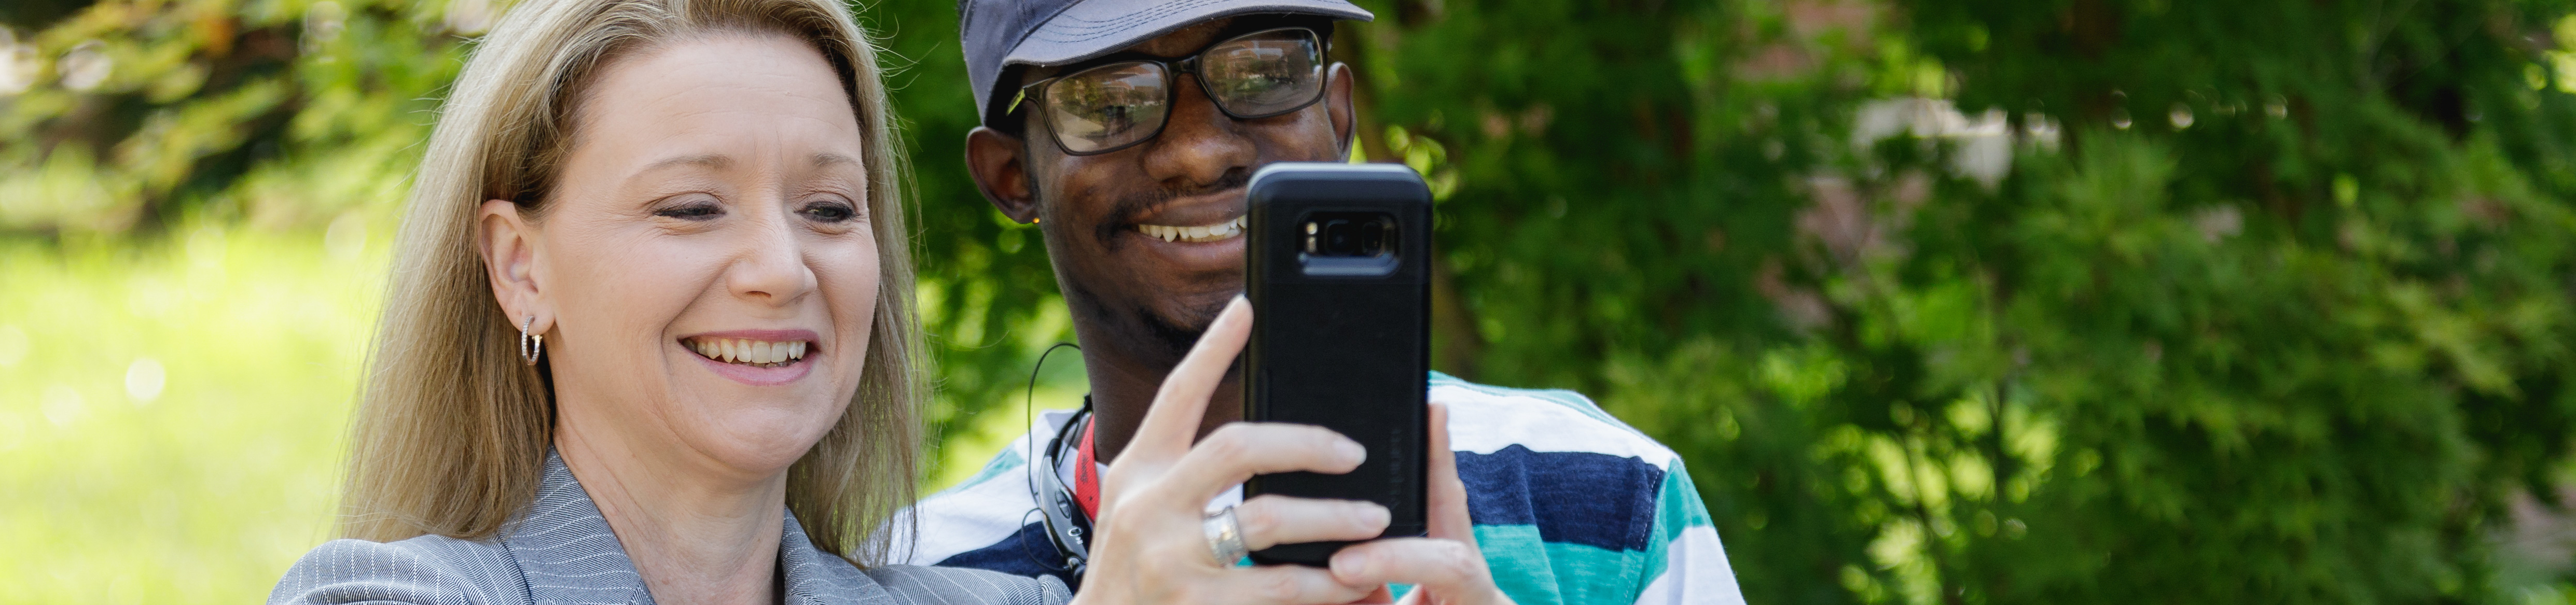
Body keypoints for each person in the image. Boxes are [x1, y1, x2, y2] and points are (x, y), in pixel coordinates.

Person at [266, 0, 1513, 603]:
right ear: (517, 261)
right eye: (691, 207)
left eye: (827, 208)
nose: (781, 268)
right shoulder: (390, 596)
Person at [892, 1, 1749, 603]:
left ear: (1337, 115)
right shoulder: (913, 576)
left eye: (1263, 71)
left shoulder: (1606, 494)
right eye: (1109, 102)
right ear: (1011, 177)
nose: (1198, 152)